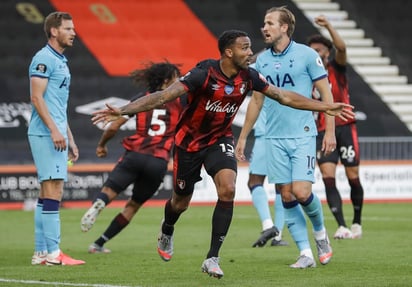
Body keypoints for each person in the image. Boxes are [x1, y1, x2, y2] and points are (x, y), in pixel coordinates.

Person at [91, 30, 354, 278]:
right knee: (180, 203)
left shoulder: (249, 77)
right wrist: (124, 110)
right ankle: (167, 229)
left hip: (220, 140)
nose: (250, 52)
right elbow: (163, 96)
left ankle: (212, 257)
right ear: (228, 52)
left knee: (227, 189)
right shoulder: (202, 74)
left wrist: (324, 107)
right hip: (189, 144)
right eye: (245, 48)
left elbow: (283, 96)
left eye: (250, 47)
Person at [236, 6, 339, 269]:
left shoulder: (307, 55)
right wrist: (244, 136)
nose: (264, 28)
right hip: (273, 137)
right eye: (264, 23)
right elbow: (256, 101)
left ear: (284, 27)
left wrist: (329, 131)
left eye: (270, 23)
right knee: (286, 195)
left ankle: (320, 234)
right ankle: (305, 254)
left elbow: (326, 96)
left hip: (303, 134)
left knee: (302, 191)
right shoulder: (261, 62)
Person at [80, 62, 183, 254]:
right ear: (167, 80)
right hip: (158, 161)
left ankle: (99, 203)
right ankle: (99, 243)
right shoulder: (180, 102)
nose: (179, 81)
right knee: (133, 206)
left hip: (135, 155)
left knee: (109, 191)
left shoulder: (141, 99)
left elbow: (113, 126)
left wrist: (102, 145)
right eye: (176, 77)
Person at [28, 11, 85, 266]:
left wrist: (69, 137)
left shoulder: (60, 60)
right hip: (45, 133)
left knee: (46, 192)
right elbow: (37, 98)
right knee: (54, 190)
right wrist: (53, 130)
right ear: (54, 31)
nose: (74, 33)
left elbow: (57, 105)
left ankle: (41, 253)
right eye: (68, 29)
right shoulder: (43, 58)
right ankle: (54, 254)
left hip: (55, 132)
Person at [308, 15, 364, 239]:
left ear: (327, 53)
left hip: (345, 127)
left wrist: (328, 26)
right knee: (327, 176)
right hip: (321, 130)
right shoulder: (306, 73)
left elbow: (341, 46)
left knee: (353, 177)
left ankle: (357, 222)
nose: (316, 54)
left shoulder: (336, 68)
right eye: (312, 51)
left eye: (319, 50)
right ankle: (341, 226)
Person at [248, 108, 289, 247]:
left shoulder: (264, 86)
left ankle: (268, 225)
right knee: (281, 186)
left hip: (266, 134)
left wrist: (242, 137)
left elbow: (256, 103)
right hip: (285, 135)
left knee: (254, 182)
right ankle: (277, 236)